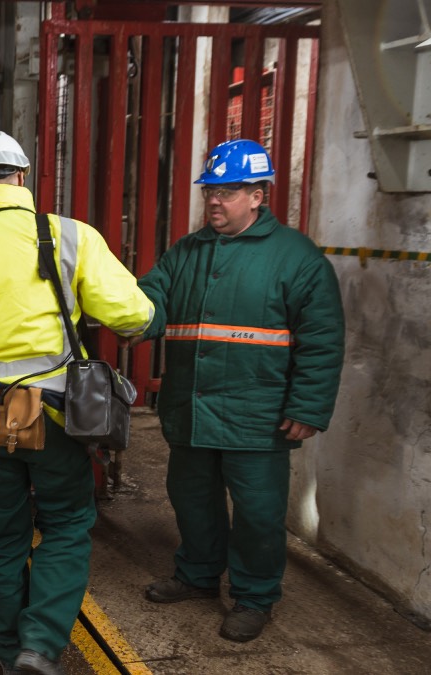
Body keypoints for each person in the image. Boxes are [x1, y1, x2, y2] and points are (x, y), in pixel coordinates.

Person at [0, 130, 154, 675]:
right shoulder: (71, 237)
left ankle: (4, 649)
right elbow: (133, 314)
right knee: (65, 524)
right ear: (22, 178)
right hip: (60, 415)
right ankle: (38, 647)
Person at [135, 139, 345, 643]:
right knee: (191, 498)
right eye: (210, 189)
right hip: (191, 408)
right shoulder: (186, 252)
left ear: (257, 195)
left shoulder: (296, 258)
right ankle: (198, 574)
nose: (213, 200)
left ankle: (254, 596)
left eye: (227, 191)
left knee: (257, 512)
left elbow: (322, 339)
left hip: (258, 415)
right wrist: (125, 315)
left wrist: (308, 406)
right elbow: (148, 300)